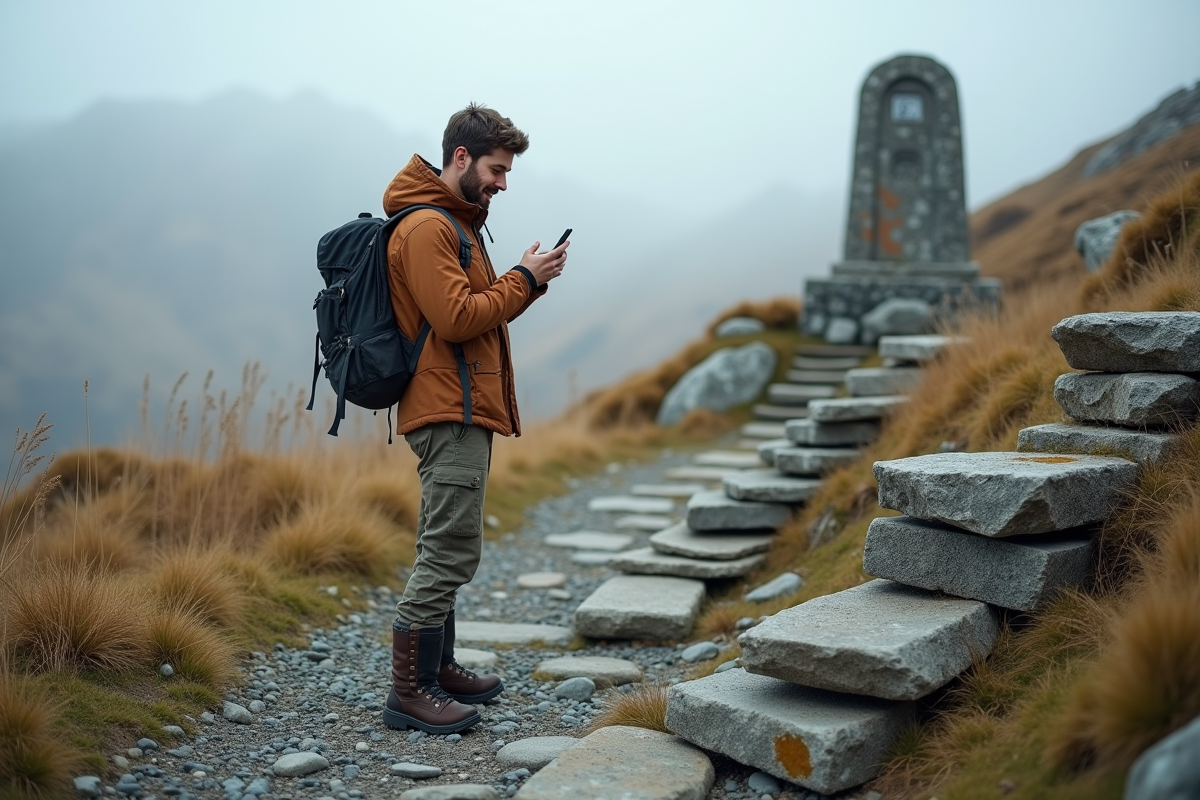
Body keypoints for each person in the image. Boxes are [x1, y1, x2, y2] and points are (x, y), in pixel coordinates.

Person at [379, 104, 568, 734]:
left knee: (448, 544)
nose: (502, 183)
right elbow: (459, 318)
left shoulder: (456, 223)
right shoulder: (430, 228)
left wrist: (524, 281)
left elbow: (475, 312)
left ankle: (441, 669)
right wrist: (523, 277)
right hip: (445, 409)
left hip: (460, 406)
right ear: (460, 157)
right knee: (450, 550)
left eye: (506, 171)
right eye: (495, 168)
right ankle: (409, 693)